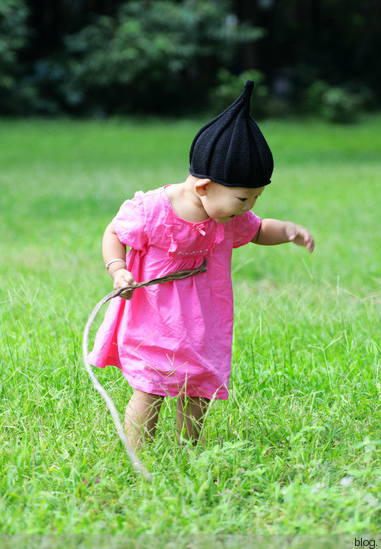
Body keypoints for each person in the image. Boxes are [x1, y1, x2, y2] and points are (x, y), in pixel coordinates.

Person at [88, 81, 314, 450]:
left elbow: (258, 231)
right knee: (152, 387)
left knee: (199, 388)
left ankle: (188, 448)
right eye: (244, 197)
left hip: (202, 318)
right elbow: (114, 232)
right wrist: (117, 268)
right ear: (204, 187)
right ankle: (137, 449)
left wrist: (287, 231)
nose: (248, 206)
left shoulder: (227, 215)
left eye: (256, 197)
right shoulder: (152, 211)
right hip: (154, 314)